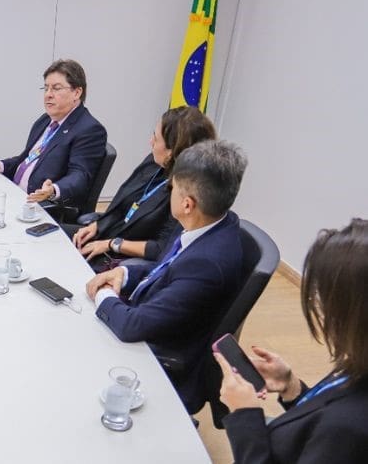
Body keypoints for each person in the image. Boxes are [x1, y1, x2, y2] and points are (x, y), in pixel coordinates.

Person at [86, 140, 247, 411]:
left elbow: (131, 327)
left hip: (152, 350)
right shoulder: (211, 222)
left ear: (187, 204)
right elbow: (167, 267)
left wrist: (102, 293)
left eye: (172, 188)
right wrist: (123, 274)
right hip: (149, 314)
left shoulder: (207, 264)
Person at [216, 219, 368, 463]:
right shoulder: (360, 362)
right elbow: (318, 417)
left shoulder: (347, 429)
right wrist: (292, 388)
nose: (319, 308)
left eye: (322, 299)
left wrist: (244, 414)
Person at [71, 106, 216, 272]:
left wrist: (113, 244)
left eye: (156, 138)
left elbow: (161, 248)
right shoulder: (153, 162)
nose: (151, 142)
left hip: (123, 258)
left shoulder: (185, 193)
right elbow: (123, 203)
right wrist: (98, 226)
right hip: (107, 235)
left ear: (171, 151)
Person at [0, 59, 107, 207]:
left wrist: (53, 190)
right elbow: (26, 159)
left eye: (56, 88)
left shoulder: (89, 129)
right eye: (46, 88)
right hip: (14, 195)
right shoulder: (45, 120)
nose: (48, 94)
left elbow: (80, 176)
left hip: (42, 207)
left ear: (77, 92)